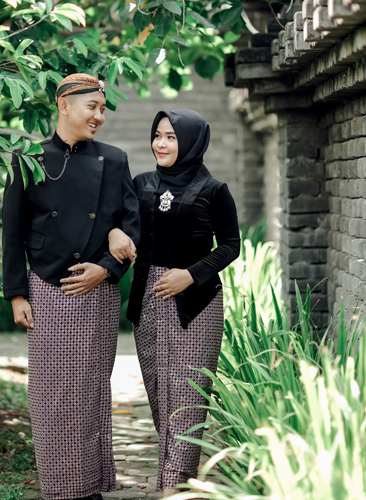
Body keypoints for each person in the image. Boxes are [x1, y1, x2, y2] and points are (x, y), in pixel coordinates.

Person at [2, 73, 140, 500]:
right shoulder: (28, 158)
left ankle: (90, 486)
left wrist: (107, 268)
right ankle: (61, 488)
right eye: (91, 107)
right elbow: (12, 230)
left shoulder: (113, 160)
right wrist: (17, 293)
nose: (99, 116)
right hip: (47, 287)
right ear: (64, 105)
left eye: (102, 109)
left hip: (97, 291)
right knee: (51, 394)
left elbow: (132, 223)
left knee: (91, 391)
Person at [109, 109, 240, 497]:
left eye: (171, 137)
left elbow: (230, 245)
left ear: (193, 142)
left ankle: (175, 485)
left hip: (196, 304)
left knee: (188, 395)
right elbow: (119, 222)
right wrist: (116, 232)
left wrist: (191, 274)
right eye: (158, 135)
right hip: (148, 298)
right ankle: (174, 478)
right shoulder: (141, 183)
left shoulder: (214, 190)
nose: (161, 144)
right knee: (158, 393)